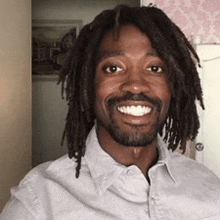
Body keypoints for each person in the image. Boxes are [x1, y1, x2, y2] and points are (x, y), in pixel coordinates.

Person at [1, 4, 220, 220]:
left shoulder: (209, 189)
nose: (135, 85)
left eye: (154, 68)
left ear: (173, 86)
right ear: (88, 84)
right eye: (113, 68)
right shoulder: (38, 203)